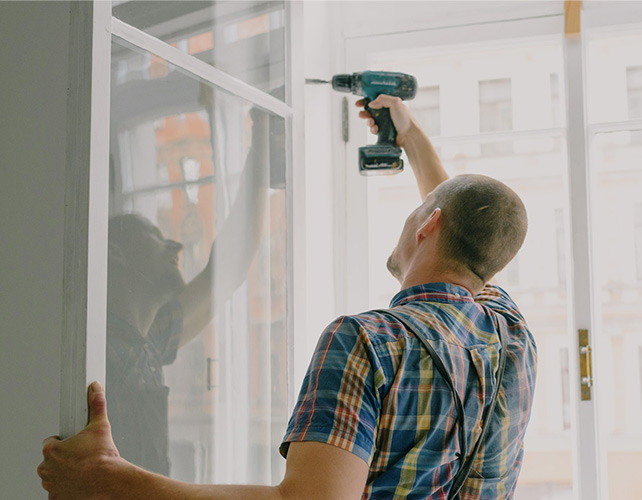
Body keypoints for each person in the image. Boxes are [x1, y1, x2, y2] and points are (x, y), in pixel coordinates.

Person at [38, 94, 536, 500]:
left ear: (429, 224)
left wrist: (108, 480)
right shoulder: (511, 335)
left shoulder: (369, 343)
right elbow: (471, 231)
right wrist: (407, 133)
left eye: (423, 212)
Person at [102, 104, 270, 475]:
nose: (176, 246)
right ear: (116, 253)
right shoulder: (98, 351)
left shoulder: (146, 339)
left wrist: (261, 148)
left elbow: (224, 272)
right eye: (155, 237)